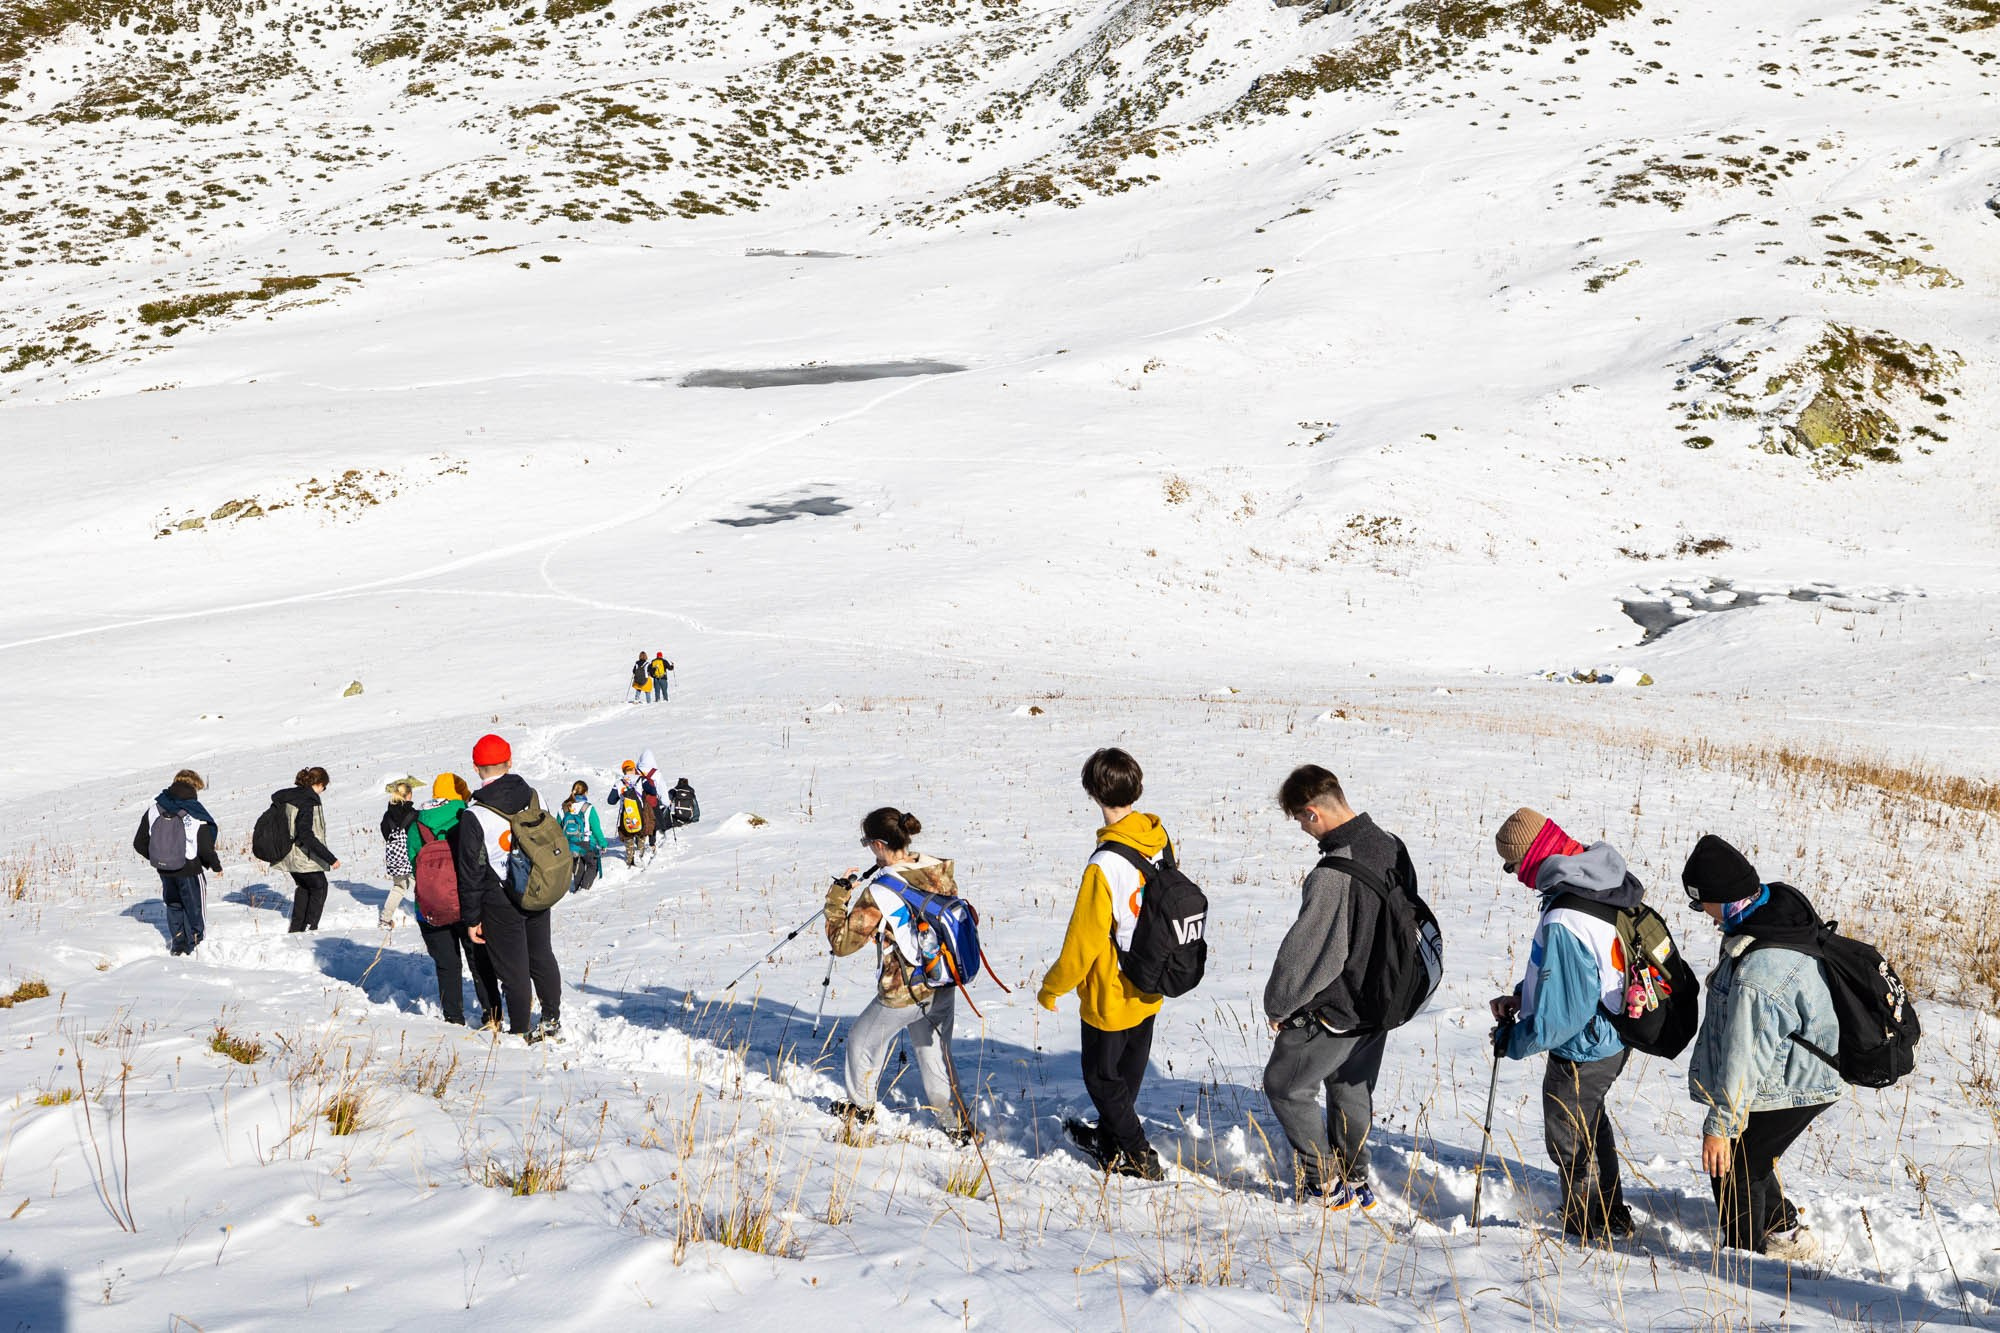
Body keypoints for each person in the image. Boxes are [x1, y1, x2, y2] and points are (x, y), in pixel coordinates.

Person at [1682, 834, 1842, 1261]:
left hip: (1794, 1078)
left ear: (1721, 897)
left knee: (1731, 1165)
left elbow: (1744, 1057)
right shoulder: (1766, 914)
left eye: (1702, 904)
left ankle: (1742, 1267)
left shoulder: (1760, 971)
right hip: (1792, 1064)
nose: (1704, 915)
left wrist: (1719, 1127)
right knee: (1750, 1154)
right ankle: (1784, 1230)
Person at [1486, 807, 1640, 1242]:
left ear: (1531, 856)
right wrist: (1524, 995)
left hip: (1584, 1046)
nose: (1513, 875)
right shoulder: (1596, 879)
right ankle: (1612, 1215)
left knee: (1570, 1136)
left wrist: (1512, 1039)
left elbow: (1561, 1018)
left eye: (1513, 864)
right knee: (1590, 1121)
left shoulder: (1565, 915)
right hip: (1612, 1034)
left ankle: (1587, 1225)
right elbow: (1577, 972)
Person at [1261, 765, 1407, 1211]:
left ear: (1311, 813)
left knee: (1285, 1085)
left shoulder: (1332, 874)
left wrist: (1279, 1002)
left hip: (1338, 1010)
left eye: (1299, 821)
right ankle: (1355, 1177)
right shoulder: (1390, 844)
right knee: (1349, 1086)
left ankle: (1322, 1181)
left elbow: (1311, 952)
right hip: (1382, 998)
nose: (1303, 832)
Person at [1037, 748, 1171, 1181]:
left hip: (1111, 990)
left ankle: (1136, 1154)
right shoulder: (1159, 838)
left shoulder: (1103, 864)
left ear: (1094, 793)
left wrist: (1053, 986)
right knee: (1127, 1071)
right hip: (1150, 978)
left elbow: (1083, 941)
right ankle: (1111, 1142)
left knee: (1100, 1077)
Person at [824, 807, 973, 1144]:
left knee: (862, 1042)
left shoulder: (880, 891)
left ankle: (860, 1110)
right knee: (933, 1052)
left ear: (879, 844)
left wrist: (837, 899)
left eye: (867, 843)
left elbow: (842, 943)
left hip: (906, 988)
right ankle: (956, 1125)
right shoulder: (938, 868)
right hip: (943, 978)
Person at [454, 735, 563, 1043]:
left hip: (500, 898)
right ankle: (551, 1018)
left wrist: (472, 917)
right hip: (537, 887)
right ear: (510, 762)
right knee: (541, 955)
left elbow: (471, 872)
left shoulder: (474, 814)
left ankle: (520, 1031)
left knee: (514, 969)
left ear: (477, 769)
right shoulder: (534, 796)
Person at [406, 773, 501, 1029]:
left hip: (429, 907)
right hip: (468, 903)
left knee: (447, 965)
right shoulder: (468, 816)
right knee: (479, 961)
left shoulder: (417, 825)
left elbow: (416, 867)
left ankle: (454, 1019)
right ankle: (492, 1016)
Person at [133, 768, 222, 955]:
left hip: (165, 869)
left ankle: (178, 946)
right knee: (194, 908)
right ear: (194, 787)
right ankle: (196, 947)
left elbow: (139, 842)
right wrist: (215, 865)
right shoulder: (195, 812)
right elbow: (205, 846)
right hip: (190, 868)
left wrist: (159, 857)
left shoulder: (154, 809)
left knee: (174, 905)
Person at [273, 766, 340, 933]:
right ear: (318, 784)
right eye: (324, 787)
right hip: (302, 855)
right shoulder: (307, 801)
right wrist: (330, 858)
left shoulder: (288, 797)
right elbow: (305, 835)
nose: (323, 791)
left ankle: (296, 930)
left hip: (287, 854)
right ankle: (311, 928)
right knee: (319, 886)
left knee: (304, 887)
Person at [379, 777, 420, 929]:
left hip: (394, 856)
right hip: (410, 855)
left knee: (399, 887)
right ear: (408, 795)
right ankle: (425, 915)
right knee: (420, 887)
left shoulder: (387, 814)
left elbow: (384, 831)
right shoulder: (412, 813)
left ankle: (385, 919)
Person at [606, 760, 656, 866]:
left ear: (624, 771)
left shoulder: (619, 783)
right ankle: (640, 852)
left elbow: (610, 801)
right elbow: (653, 791)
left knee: (628, 835)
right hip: (641, 814)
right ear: (634, 769)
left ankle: (630, 857)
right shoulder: (641, 779)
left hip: (626, 815)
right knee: (641, 833)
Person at [561, 781, 608, 893]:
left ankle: (577, 889)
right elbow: (596, 829)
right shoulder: (588, 808)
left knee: (578, 866)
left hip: (569, 844)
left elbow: (557, 826)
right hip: (586, 843)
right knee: (592, 865)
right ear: (586, 792)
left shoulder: (564, 807)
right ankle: (584, 891)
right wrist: (603, 844)